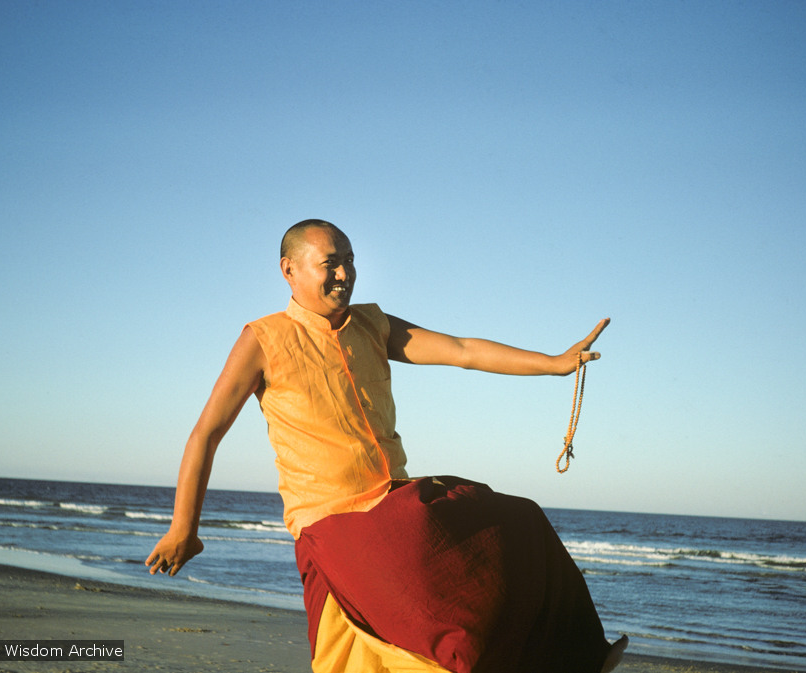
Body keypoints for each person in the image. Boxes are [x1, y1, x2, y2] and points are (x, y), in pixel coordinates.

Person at [146, 219, 628, 673]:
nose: (344, 274)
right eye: (330, 262)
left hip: (394, 503)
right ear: (288, 269)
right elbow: (206, 432)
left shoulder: (372, 325)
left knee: (517, 520)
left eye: (350, 261)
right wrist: (183, 529)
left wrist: (554, 364)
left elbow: (461, 350)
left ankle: (576, 658)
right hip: (330, 519)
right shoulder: (264, 338)